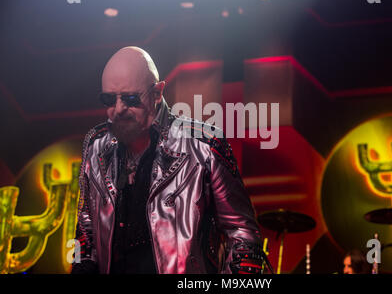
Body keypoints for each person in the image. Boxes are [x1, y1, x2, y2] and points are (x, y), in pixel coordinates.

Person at [71, 46, 265, 274]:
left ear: (157, 93)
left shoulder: (204, 147)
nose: (118, 109)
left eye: (130, 98)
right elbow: (84, 233)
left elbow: (244, 235)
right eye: (109, 99)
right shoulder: (96, 147)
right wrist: (78, 267)